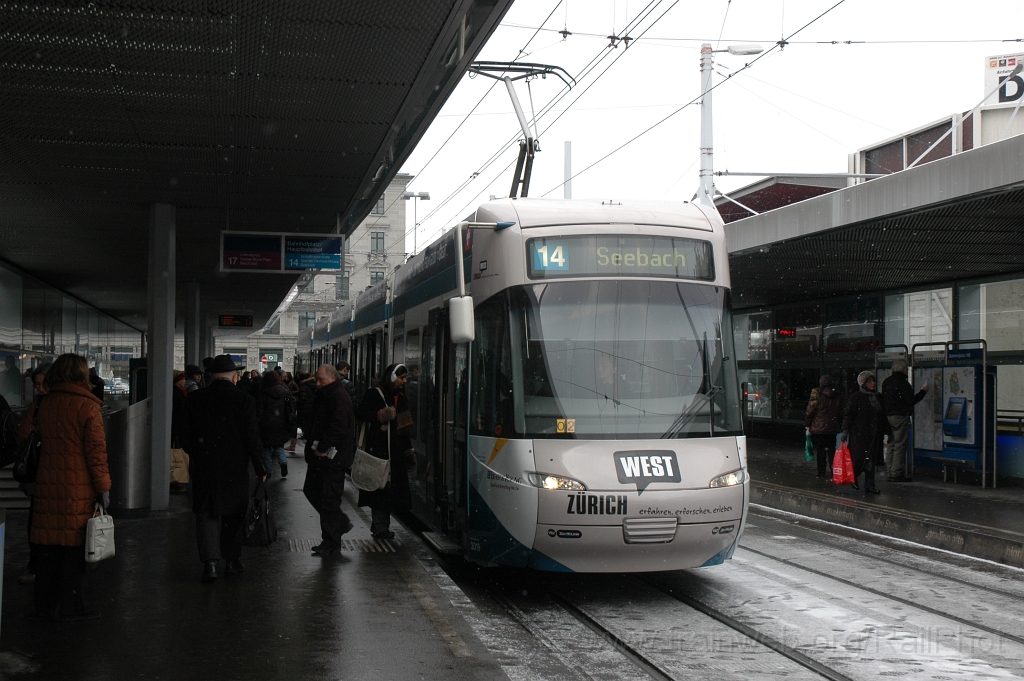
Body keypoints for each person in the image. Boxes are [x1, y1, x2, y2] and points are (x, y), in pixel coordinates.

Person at [25, 354, 111, 621]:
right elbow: (96, 454)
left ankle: (44, 606)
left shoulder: (44, 403)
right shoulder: (88, 406)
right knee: (74, 551)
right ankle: (72, 607)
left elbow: (24, 434)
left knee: (48, 548)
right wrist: (104, 488)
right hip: (77, 489)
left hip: (47, 486)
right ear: (81, 375)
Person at [183, 355, 267, 582]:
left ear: (210, 377)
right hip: (234, 468)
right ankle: (231, 561)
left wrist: (199, 452)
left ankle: (210, 564)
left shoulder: (195, 399)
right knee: (233, 514)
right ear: (234, 377)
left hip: (205, 467)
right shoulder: (244, 400)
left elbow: (185, 437)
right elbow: (252, 438)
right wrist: (261, 467)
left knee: (206, 513)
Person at [355, 363, 414, 540]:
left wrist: (408, 451)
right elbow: (360, 412)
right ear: (392, 377)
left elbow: (404, 429)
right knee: (380, 489)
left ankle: (381, 525)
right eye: (402, 378)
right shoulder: (375, 394)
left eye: (405, 378)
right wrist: (379, 415)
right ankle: (381, 527)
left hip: (395, 452)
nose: (404, 381)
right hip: (379, 450)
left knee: (388, 491)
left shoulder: (401, 397)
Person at [303, 365, 355, 555]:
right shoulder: (328, 394)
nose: (317, 383)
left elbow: (338, 427)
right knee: (314, 491)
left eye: (321, 380)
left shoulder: (338, 397)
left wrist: (322, 447)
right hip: (324, 458)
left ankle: (331, 541)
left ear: (332, 378)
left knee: (328, 499)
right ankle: (338, 526)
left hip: (332, 458)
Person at [16, 362, 52, 586]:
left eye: (42, 384)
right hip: (46, 472)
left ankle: (38, 568)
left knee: (37, 521)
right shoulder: (52, 405)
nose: (40, 388)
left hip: (43, 472)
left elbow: (23, 433)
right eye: (37, 385)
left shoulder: (38, 406)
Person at [840, 371, 892, 495]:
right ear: (863, 383)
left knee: (871, 461)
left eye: (873, 381)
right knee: (860, 459)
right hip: (860, 434)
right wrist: (845, 430)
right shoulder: (856, 397)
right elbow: (849, 415)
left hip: (874, 434)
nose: (873, 383)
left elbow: (882, 415)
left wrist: (888, 431)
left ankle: (869, 485)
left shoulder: (878, 397)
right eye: (869, 381)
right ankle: (854, 477)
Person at [881, 359, 928, 483]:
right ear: (902, 369)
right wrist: (923, 392)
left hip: (889, 416)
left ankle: (890, 471)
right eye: (906, 368)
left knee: (891, 444)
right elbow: (911, 401)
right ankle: (896, 472)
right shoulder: (903, 383)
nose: (907, 370)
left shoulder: (887, 382)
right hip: (901, 416)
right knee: (900, 445)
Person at [255, 370, 293, 478]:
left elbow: (260, 412)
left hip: (266, 425)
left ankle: (268, 470)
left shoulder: (263, 393)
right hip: (280, 423)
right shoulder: (284, 391)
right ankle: (283, 462)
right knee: (279, 446)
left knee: (266, 448)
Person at [804, 375, 842, 480]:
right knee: (831, 450)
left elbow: (810, 410)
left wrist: (807, 423)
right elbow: (841, 411)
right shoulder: (837, 394)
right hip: (832, 427)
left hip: (818, 427)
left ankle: (821, 473)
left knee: (820, 451)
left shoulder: (817, 393)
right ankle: (834, 472)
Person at [296, 371, 317, 439]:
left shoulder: (303, 386)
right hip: (312, 406)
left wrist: (297, 402)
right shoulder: (314, 384)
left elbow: (303, 398)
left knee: (304, 422)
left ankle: (306, 434)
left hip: (305, 407)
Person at [171, 370, 188, 448]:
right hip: (177, 425)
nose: (185, 381)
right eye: (183, 379)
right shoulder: (177, 394)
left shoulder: (180, 392)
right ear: (177, 380)